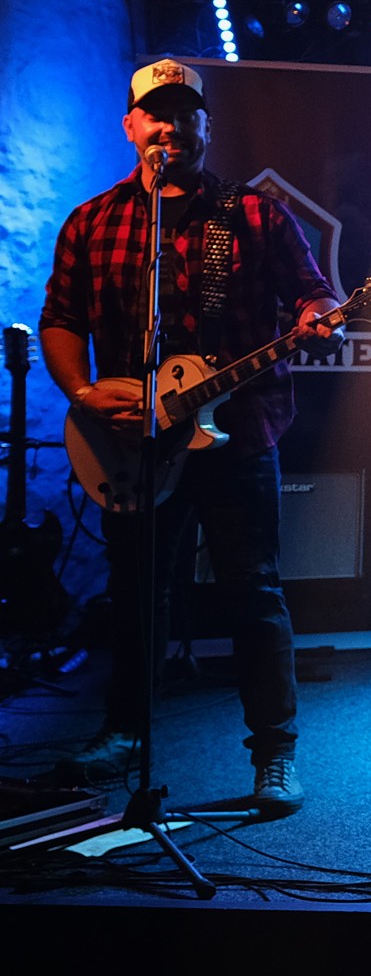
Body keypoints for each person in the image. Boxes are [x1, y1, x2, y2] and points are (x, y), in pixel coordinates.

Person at [41, 58, 344, 815]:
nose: (171, 126)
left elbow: (313, 293)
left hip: (238, 430)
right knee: (137, 592)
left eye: (186, 113)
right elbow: (61, 319)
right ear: (132, 126)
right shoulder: (92, 221)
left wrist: (320, 315)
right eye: (157, 113)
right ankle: (124, 734)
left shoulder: (255, 216)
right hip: (132, 442)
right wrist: (83, 394)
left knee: (253, 589)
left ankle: (274, 752)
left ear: (206, 126)